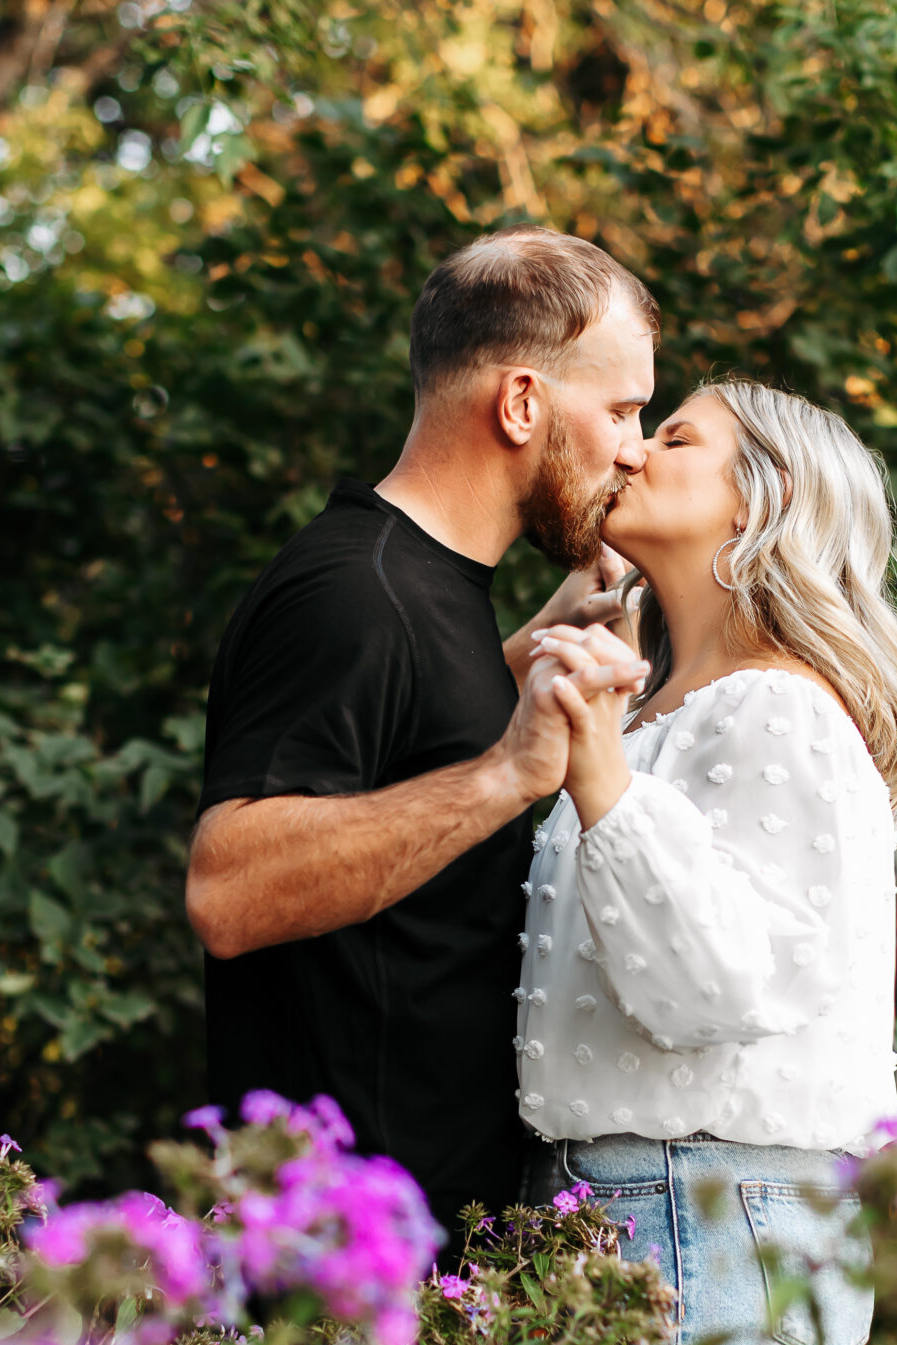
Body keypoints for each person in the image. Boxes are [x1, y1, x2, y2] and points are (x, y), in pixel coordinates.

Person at [516, 380, 897, 1345]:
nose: (635, 451)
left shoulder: (777, 713)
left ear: (764, 503)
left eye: (678, 437)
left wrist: (596, 772)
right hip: (635, 1208)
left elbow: (713, 985)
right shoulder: (662, 714)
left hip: (704, 1211)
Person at [186, 227, 657, 1246]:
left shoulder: (430, 591)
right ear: (522, 402)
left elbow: (403, 743)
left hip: (429, 1273)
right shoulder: (350, 594)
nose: (636, 449)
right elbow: (228, 890)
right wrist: (504, 776)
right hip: (329, 1305)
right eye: (621, 410)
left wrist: (540, 641)